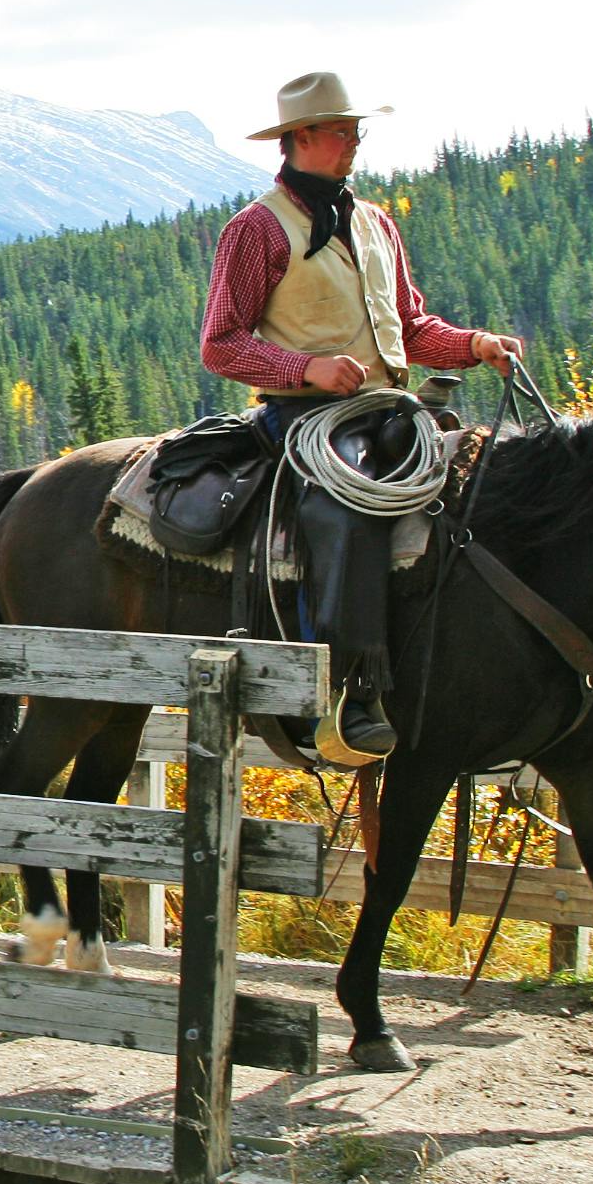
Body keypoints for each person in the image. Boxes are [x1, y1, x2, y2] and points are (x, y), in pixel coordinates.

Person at [197, 73, 522, 759]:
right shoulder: (256, 229)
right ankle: (348, 692)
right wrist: (304, 369)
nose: (353, 145)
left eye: (355, 132)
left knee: (491, 482)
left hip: (389, 410)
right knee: (348, 510)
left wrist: (473, 346)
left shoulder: (375, 223)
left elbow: (409, 327)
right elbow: (220, 343)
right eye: (341, 133)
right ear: (301, 139)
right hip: (308, 420)